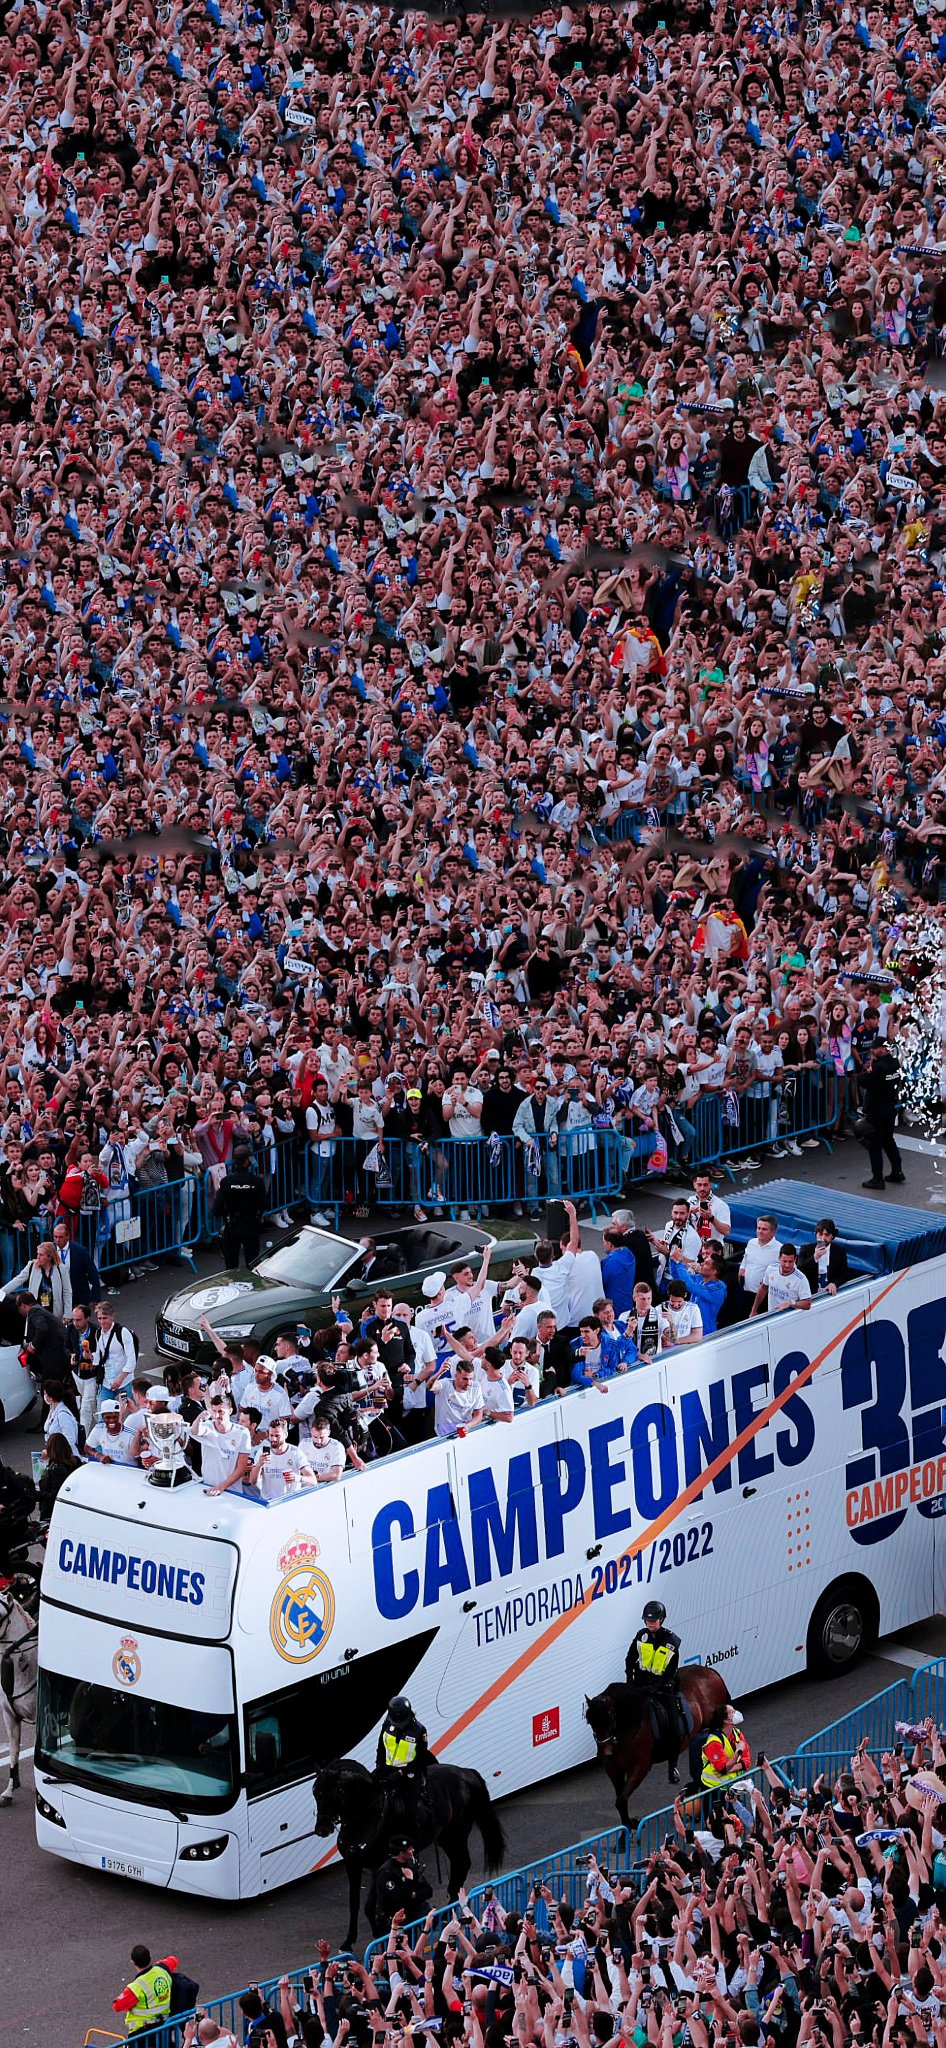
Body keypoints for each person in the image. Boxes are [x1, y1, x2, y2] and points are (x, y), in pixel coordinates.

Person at [625, 1601, 684, 1785]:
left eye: (654, 1620)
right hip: (641, 1684)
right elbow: (630, 1658)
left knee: (674, 1727)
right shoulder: (641, 1636)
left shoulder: (671, 1641)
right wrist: (630, 1681)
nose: (650, 1624)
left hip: (663, 1689)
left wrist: (657, 1687)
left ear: (662, 1620)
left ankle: (672, 1765)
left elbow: (670, 1671)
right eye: (647, 1620)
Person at [375, 1697, 432, 1835]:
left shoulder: (419, 1731)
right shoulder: (388, 1722)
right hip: (388, 1768)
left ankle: (413, 1849)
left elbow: (420, 1759)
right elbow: (381, 1746)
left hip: (409, 1773)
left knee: (411, 1811)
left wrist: (400, 1773)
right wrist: (380, 1766)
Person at [365, 1836, 433, 1935]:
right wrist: (409, 1882)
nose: (413, 1850)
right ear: (401, 1854)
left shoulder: (408, 1866)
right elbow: (399, 1899)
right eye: (409, 1849)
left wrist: (413, 1895)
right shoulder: (386, 1873)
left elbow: (428, 1891)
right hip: (393, 1925)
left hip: (409, 1919)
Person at [214, 1144, 266, 1269]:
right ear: (248, 1160)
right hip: (251, 1224)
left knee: (231, 1267)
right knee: (253, 1265)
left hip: (232, 1225)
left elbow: (217, 1208)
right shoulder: (256, 1181)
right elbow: (263, 1204)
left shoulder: (226, 1181)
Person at [861, 1046, 906, 1191]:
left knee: (875, 1143)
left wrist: (869, 1070)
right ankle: (897, 1172)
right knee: (888, 1140)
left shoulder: (879, 1067)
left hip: (877, 1109)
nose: (872, 1052)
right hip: (890, 1106)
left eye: (873, 1050)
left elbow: (864, 1081)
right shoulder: (893, 1063)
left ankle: (877, 1179)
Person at [191, 1395, 254, 1496]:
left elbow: (241, 1469)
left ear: (230, 1411)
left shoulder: (242, 1433)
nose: (216, 1416)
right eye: (214, 1411)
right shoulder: (207, 1427)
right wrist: (199, 1418)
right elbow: (195, 1431)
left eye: (221, 1411)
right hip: (208, 1487)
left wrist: (220, 1488)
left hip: (232, 1492)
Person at [113, 1948, 180, 2038]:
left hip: (143, 2034)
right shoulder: (161, 1970)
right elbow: (173, 1960)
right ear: (150, 1957)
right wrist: (160, 1963)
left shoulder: (136, 1987)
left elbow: (117, 2006)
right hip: (164, 2027)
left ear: (132, 1962)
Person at [249, 1416, 316, 1501]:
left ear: (286, 1435)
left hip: (288, 1501)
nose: (273, 1439)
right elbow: (252, 1481)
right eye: (271, 1435)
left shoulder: (295, 1452)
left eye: (277, 1436)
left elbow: (313, 1480)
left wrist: (297, 1478)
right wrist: (259, 1465)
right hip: (267, 1502)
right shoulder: (262, 1451)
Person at [700, 1702, 752, 1793]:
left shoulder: (737, 1733)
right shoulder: (714, 1741)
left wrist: (730, 1769)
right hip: (714, 1789)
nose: (736, 1712)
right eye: (732, 1712)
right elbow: (723, 1769)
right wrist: (738, 1751)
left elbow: (747, 1762)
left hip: (734, 1786)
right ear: (726, 1720)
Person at [52, 1217, 102, 1311]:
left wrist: (96, 1296)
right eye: (55, 1237)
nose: (58, 1240)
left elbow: (93, 1273)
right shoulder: (50, 1250)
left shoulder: (80, 1251)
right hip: (58, 1295)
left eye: (61, 1237)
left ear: (68, 1236)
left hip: (78, 1294)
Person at [750, 1244, 812, 1317]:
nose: (787, 1265)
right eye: (784, 1261)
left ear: (795, 1259)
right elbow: (763, 1287)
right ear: (779, 1258)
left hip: (788, 1319)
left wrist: (791, 1303)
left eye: (790, 1262)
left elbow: (807, 1303)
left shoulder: (800, 1279)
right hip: (771, 1315)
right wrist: (754, 1309)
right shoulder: (771, 1269)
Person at [737, 1215, 783, 1315]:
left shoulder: (779, 1249)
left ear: (773, 1232)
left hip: (764, 1298)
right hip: (745, 1292)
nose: (760, 1231)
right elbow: (745, 1259)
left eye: (764, 1229)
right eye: (758, 1228)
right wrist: (742, 1269)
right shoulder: (751, 1243)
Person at [799, 1219, 851, 1297]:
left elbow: (844, 1274)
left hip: (830, 1295)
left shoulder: (839, 1251)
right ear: (816, 1234)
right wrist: (814, 1257)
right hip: (810, 1296)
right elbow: (800, 1272)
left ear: (832, 1236)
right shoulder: (806, 1250)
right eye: (820, 1234)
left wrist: (834, 1283)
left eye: (827, 1235)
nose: (823, 1238)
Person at [37, 1431, 81, 1520]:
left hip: (52, 1512)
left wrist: (38, 1495)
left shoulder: (56, 1469)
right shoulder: (75, 1461)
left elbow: (55, 1494)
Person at [84, 1400, 138, 1467]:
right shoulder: (98, 1429)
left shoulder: (132, 1435)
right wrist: (99, 1455)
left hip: (129, 1469)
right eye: (108, 1417)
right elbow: (87, 1447)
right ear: (102, 1417)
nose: (112, 1420)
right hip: (108, 1469)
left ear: (120, 1416)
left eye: (115, 1417)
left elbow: (141, 1458)